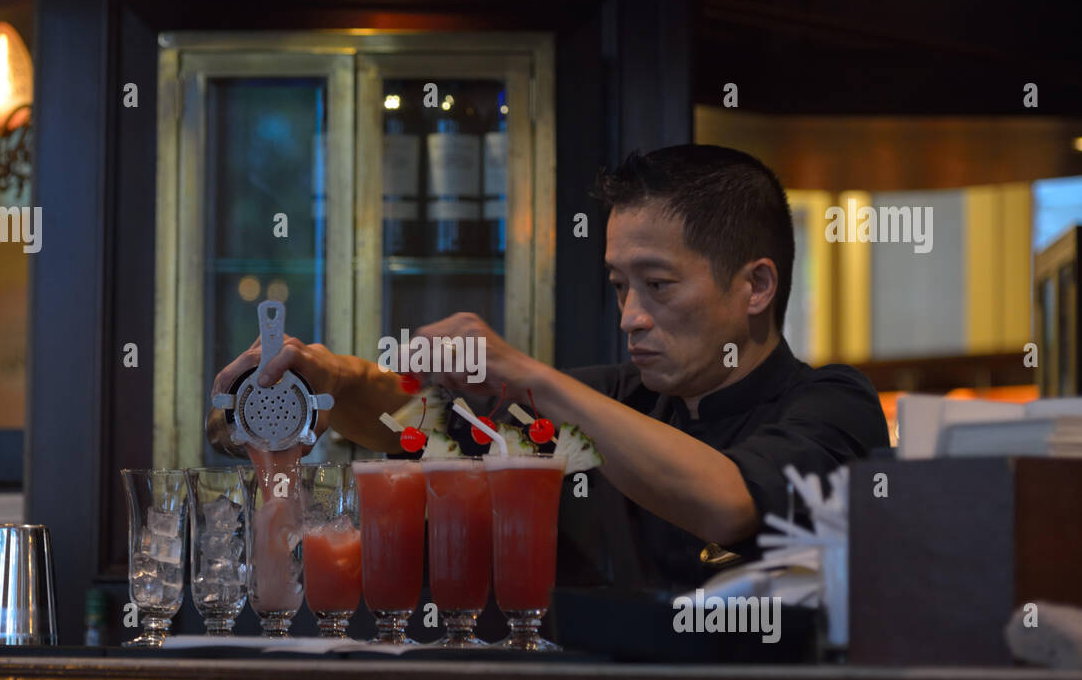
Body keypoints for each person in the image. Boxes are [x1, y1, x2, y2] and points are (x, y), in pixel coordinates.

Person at [208, 145, 889, 591]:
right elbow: (419, 427)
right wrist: (333, 378)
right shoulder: (615, 398)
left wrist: (529, 375)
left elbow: (728, 502)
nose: (630, 316)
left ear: (757, 286)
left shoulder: (834, 405)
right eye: (620, 285)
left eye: (658, 284)